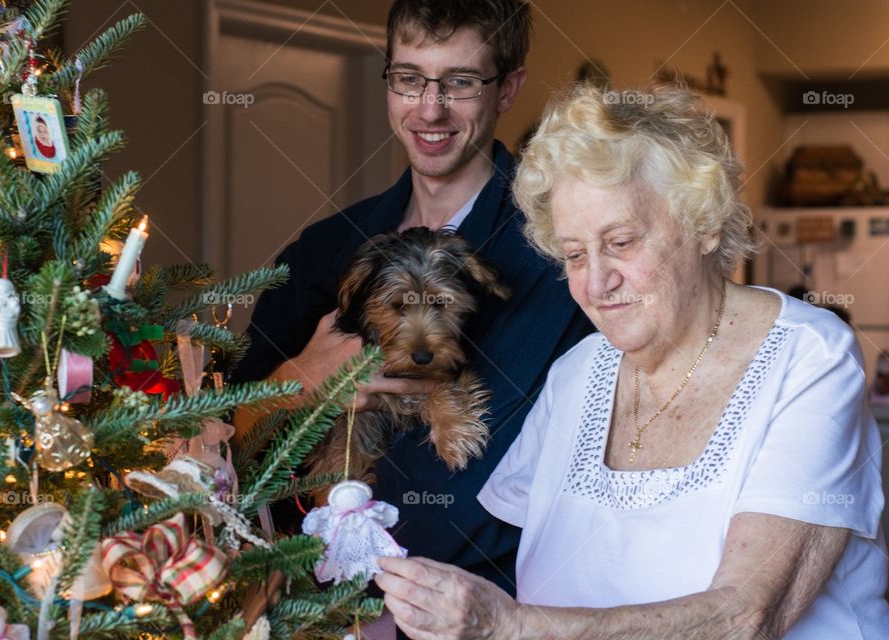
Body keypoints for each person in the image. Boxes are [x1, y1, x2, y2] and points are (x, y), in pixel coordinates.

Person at [375, 83, 889, 639]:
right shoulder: (575, 374)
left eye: (620, 242)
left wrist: (510, 626)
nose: (596, 283)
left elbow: (747, 617)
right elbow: (501, 559)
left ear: (704, 224)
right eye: (574, 254)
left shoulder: (808, 356)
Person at [230, 0, 593, 607]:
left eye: (461, 81)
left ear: (508, 89)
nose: (430, 108)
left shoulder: (564, 251)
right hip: (316, 610)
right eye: (409, 78)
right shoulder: (320, 253)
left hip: (494, 610)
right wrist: (301, 383)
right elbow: (219, 441)